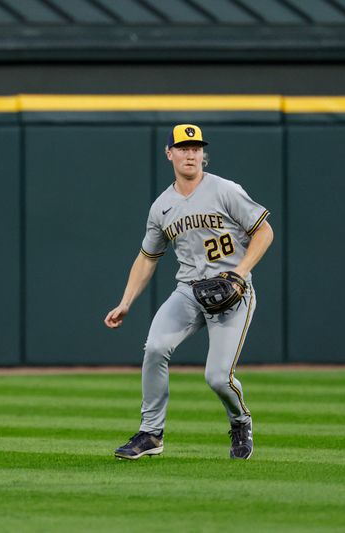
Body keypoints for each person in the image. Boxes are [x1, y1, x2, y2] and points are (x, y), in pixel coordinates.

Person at [104, 124, 274, 460]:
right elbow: (147, 257)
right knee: (155, 348)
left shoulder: (225, 190)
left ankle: (240, 421)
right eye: (183, 147)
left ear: (203, 154)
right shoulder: (161, 207)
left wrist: (240, 272)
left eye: (196, 148)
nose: (191, 153)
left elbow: (265, 231)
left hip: (234, 292)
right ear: (169, 154)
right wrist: (126, 301)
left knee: (217, 378)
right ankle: (151, 434)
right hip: (190, 291)